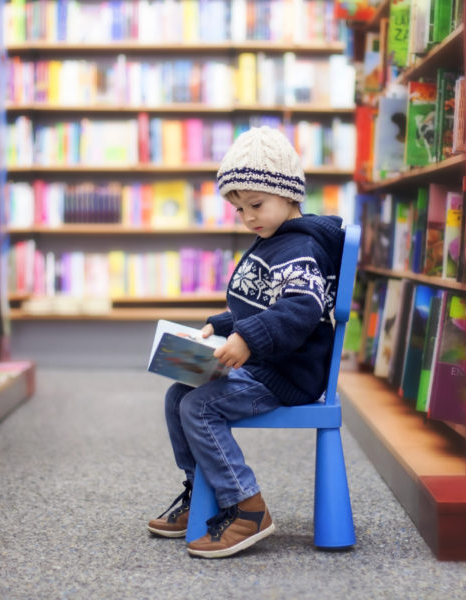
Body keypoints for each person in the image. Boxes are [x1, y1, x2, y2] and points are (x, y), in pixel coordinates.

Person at [148, 126, 345, 558]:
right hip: (263, 362)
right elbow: (257, 306)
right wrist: (219, 328)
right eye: (239, 209)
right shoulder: (272, 242)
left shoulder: (300, 248)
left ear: (289, 193)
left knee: (199, 406)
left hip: (285, 374)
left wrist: (246, 339)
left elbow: (299, 309)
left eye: (256, 204)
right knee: (176, 394)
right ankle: (202, 489)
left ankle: (246, 506)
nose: (248, 217)